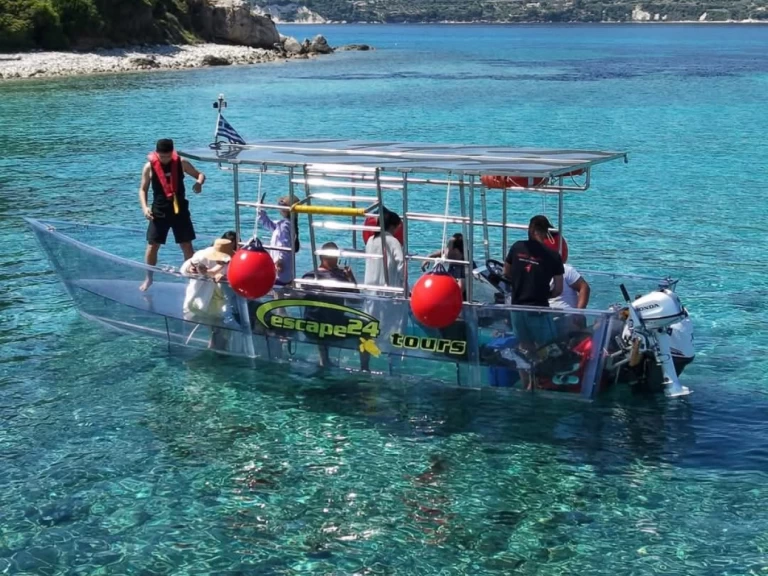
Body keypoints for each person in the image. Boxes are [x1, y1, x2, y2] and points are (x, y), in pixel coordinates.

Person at [503, 215, 564, 389]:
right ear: (544, 233)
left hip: (517, 308)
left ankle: (527, 384)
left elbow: (506, 272)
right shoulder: (553, 256)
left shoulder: (517, 247)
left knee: (524, 348)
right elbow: (559, 289)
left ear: (529, 230)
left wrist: (521, 284)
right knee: (548, 349)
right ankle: (542, 385)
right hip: (538, 308)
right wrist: (544, 293)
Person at [139, 138, 206, 291]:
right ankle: (149, 278)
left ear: (172, 153)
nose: (165, 160)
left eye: (168, 156)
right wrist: (144, 207)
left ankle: (192, 278)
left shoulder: (182, 162)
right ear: (157, 154)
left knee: (186, 245)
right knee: (152, 245)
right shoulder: (149, 167)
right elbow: (143, 189)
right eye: (162, 157)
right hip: (159, 210)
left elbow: (200, 175)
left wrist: (199, 183)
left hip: (180, 210)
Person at [362, 208, 406, 371]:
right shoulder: (392, 241)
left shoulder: (370, 241)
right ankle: (391, 366)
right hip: (387, 293)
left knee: (368, 331)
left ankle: (364, 365)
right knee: (391, 329)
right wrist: (404, 287)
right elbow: (401, 265)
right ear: (393, 227)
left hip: (369, 292)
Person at [301, 242, 359, 367]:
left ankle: (324, 358)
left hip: (312, 324)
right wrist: (350, 278)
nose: (337, 260)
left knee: (318, 318)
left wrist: (349, 277)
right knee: (366, 329)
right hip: (333, 324)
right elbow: (356, 299)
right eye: (335, 257)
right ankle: (365, 368)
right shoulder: (338, 278)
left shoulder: (309, 276)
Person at [258, 195, 299, 286]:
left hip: (280, 268)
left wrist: (279, 261)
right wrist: (261, 210)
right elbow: (269, 224)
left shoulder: (285, 225)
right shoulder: (286, 223)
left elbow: (284, 244)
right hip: (282, 268)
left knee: (278, 291)